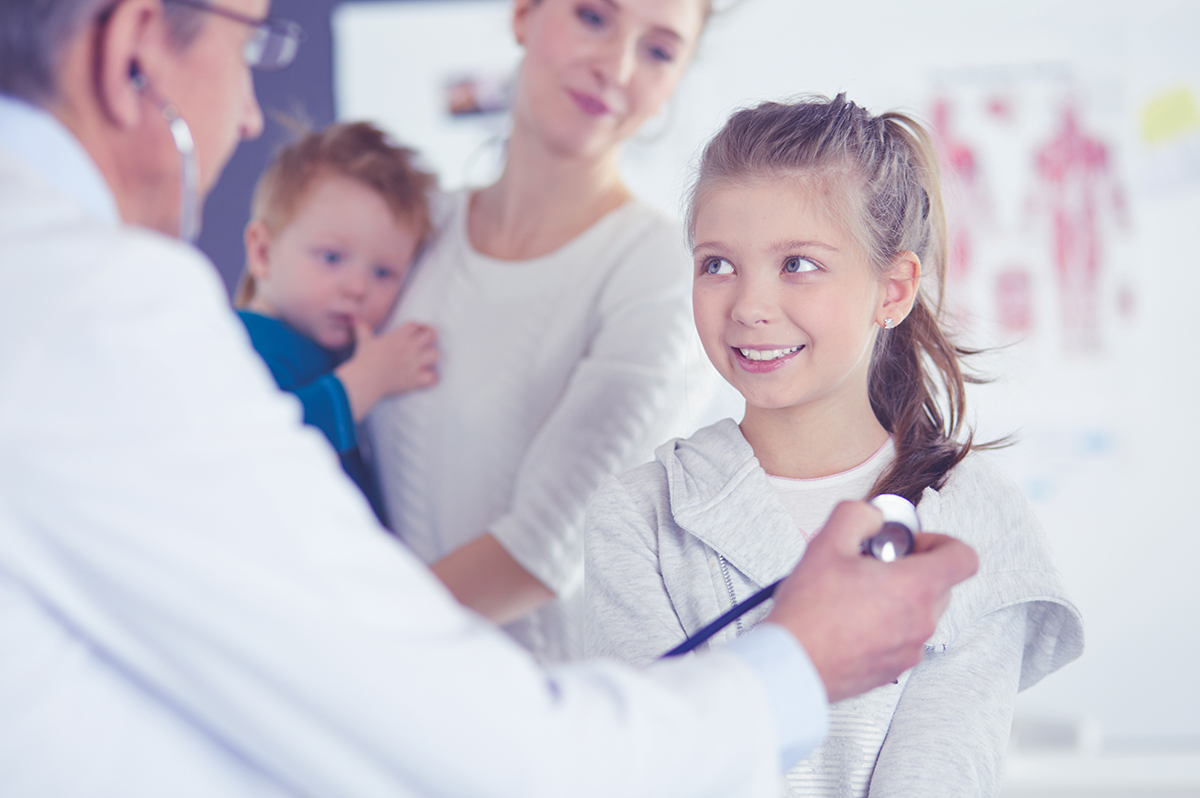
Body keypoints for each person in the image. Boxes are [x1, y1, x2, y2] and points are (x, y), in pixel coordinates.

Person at [0, 2, 979, 795]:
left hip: (508, 710)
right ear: (133, 49)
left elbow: (532, 560)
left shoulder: (641, 277)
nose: (252, 112)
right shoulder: (107, 304)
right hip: (470, 727)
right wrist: (796, 667)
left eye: (659, 47)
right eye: (249, 45)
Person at [585, 96, 1085, 797]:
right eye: (718, 265)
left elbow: (936, 778)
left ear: (894, 288)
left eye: (798, 264)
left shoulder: (972, 520)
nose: (750, 305)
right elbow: (648, 772)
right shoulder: (639, 516)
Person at [367, 0, 714, 661]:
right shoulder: (415, 227)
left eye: (660, 50)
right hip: (383, 710)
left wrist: (333, 641)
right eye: (592, 17)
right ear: (525, 13)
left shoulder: (660, 271)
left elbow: (542, 550)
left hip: (540, 724)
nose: (615, 65)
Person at [234, 121, 439, 526]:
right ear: (262, 252)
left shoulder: (337, 350)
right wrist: (365, 382)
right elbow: (262, 446)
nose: (357, 287)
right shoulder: (241, 343)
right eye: (331, 258)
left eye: (383, 273)